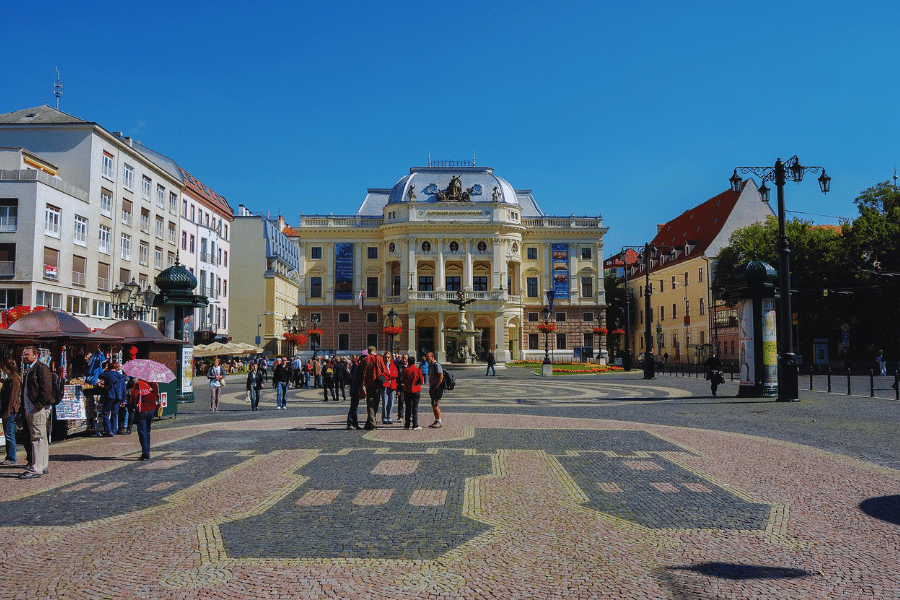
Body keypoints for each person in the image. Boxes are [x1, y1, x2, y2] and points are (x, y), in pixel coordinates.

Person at [19, 346, 52, 479]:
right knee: (40, 438)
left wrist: (38, 406)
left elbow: (46, 389)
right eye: (24, 354)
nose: (25, 356)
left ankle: (37, 467)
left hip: (36, 409)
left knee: (37, 438)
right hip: (30, 409)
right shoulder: (31, 370)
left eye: (27, 354)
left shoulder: (41, 368)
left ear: (35, 355)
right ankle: (42, 465)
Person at [1, 356, 22, 465]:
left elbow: (13, 398)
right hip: (7, 410)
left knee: (9, 434)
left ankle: (11, 457)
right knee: (8, 434)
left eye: (3, 366)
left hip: (10, 411)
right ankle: (10, 456)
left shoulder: (14, 380)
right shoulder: (9, 379)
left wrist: (8, 412)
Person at [131, 379, 159, 461]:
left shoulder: (138, 385)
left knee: (142, 432)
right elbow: (156, 395)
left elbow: (134, 397)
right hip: (151, 409)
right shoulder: (154, 384)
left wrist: (133, 406)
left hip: (142, 410)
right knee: (147, 431)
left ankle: (145, 453)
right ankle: (147, 450)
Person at [361, 346, 385, 430]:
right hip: (378, 384)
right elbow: (384, 370)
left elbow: (362, 372)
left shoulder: (365, 360)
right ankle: (372, 422)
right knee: (376, 403)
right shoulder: (379, 358)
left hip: (369, 384)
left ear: (368, 351)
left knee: (370, 404)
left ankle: (370, 423)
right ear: (375, 351)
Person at [401, 355, 424, 430]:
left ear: (408, 362)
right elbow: (421, 381)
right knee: (415, 407)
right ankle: (415, 424)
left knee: (407, 408)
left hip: (407, 390)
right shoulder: (417, 370)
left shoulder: (405, 370)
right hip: (416, 390)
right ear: (414, 362)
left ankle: (407, 424)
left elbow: (403, 380)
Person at [347, 351, 366, 429]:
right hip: (355, 389)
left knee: (355, 407)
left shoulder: (359, 366)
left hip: (355, 388)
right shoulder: (360, 367)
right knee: (354, 407)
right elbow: (358, 379)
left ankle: (354, 423)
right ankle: (350, 423)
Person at [426, 352, 444, 428]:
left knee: (436, 404)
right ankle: (436, 419)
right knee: (433, 404)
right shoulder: (431, 365)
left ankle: (439, 420)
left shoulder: (436, 365)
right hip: (432, 386)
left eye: (428, 358)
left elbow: (441, 375)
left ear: (432, 357)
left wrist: (437, 385)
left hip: (437, 387)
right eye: (426, 359)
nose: (427, 360)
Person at [381, 352, 398, 424]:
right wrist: (390, 375)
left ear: (390, 358)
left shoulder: (393, 365)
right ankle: (384, 417)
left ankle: (389, 417)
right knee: (385, 402)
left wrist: (387, 374)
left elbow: (396, 375)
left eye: (388, 357)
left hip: (392, 386)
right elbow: (382, 374)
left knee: (391, 403)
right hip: (385, 385)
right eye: (385, 357)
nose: (387, 359)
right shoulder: (382, 365)